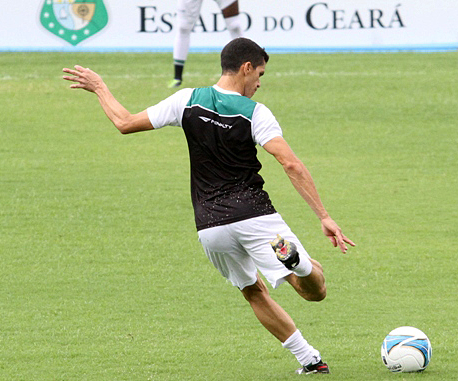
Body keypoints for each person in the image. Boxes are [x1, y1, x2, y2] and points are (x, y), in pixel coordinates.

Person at [62, 37, 354, 375]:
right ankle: (299, 266)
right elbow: (291, 164)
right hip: (256, 217)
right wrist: (324, 215)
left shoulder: (187, 100)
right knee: (313, 291)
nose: (259, 83)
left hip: (211, 227)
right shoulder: (254, 113)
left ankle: (310, 360)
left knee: (254, 292)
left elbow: (125, 122)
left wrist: (99, 87)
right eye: (259, 74)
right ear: (246, 68)